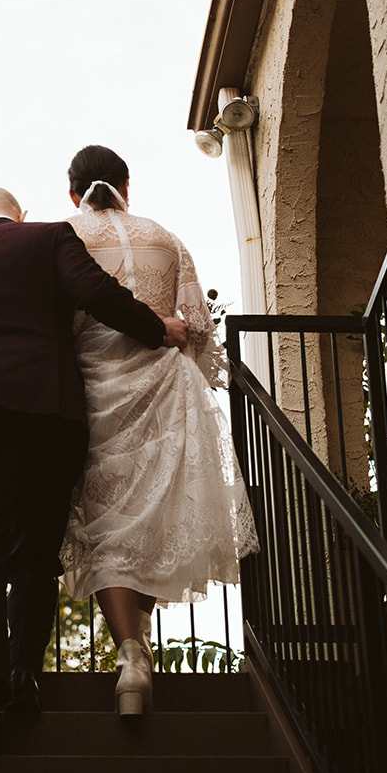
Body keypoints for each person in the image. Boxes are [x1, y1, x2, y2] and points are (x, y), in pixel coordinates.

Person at [0, 186, 188, 755]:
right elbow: (96, 292)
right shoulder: (47, 238)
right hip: (46, 412)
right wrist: (157, 328)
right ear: (20, 216)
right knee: (36, 553)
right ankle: (24, 675)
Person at [58, 145, 259, 718]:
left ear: (73, 193)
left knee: (108, 526)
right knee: (151, 521)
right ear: (127, 183)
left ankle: (129, 653)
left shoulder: (66, 236)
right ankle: (139, 648)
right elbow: (194, 326)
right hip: (164, 390)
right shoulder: (166, 238)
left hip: (92, 392)